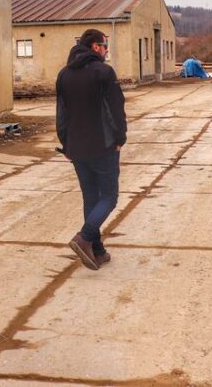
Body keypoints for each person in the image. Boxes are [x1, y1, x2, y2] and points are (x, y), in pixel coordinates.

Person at [56, 28, 127, 270]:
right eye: (105, 46)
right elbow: (116, 108)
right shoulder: (104, 73)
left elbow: (61, 114)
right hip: (103, 146)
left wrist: (66, 143)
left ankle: (97, 250)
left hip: (76, 148)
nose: (107, 51)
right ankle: (84, 238)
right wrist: (120, 137)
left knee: (91, 197)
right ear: (96, 47)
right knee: (108, 197)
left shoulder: (64, 75)